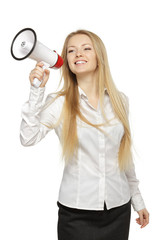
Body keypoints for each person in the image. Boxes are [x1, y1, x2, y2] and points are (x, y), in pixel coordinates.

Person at [20, 29, 149, 240]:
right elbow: (27, 138)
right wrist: (36, 91)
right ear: (67, 61)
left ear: (99, 57)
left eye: (86, 48)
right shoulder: (58, 103)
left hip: (119, 210)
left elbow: (124, 156)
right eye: (71, 51)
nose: (78, 53)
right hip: (76, 214)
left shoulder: (120, 101)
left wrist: (138, 200)